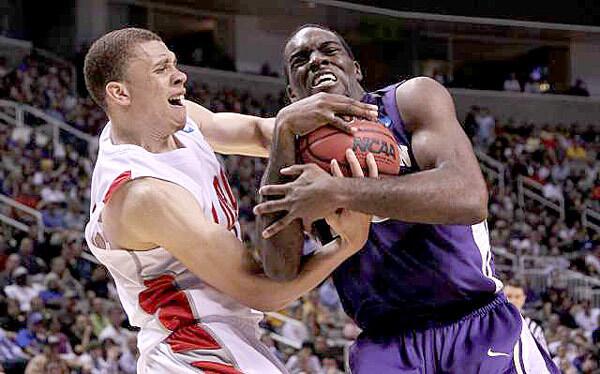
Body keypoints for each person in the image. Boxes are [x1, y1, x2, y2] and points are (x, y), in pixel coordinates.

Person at [254, 24, 560, 373]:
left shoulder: (410, 102)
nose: (317, 60)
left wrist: (339, 192)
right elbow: (280, 271)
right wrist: (283, 130)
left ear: (356, 69)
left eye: (329, 50)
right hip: (386, 345)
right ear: (291, 94)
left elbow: (469, 197)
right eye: (300, 59)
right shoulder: (294, 156)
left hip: (475, 323)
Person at [82, 27, 376, 373]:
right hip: (192, 349)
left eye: (174, 64)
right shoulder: (143, 193)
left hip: (229, 335)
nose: (180, 76)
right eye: (161, 69)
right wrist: (348, 242)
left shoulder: (173, 119)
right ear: (120, 93)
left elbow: (259, 132)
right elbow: (262, 291)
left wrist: (346, 135)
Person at [504, 280, 550, 354]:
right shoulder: (489, 325)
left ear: (523, 299)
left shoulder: (534, 329)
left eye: (517, 297)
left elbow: (543, 360)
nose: (513, 300)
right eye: (509, 296)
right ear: (501, 298)